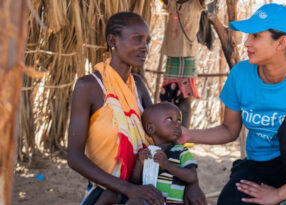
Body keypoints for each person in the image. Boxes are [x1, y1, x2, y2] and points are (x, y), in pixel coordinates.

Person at [179, 3, 286, 205]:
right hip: (260, 166)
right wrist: (188, 135)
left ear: (281, 43)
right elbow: (229, 129)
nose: (246, 43)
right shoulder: (240, 74)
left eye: (255, 36)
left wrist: (277, 195)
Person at [67, 12, 205, 205]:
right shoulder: (89, 87)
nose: (145, 47)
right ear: (113, 40)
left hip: (144, 182)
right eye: (137, 39)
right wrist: (128, 189)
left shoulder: (138, 85)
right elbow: (74, 157)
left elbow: (164, 135)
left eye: (147, 41)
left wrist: (193, 183)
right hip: (107, 190)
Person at [97, 102, 198, 205]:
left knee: (136, 203)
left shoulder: (181, 151)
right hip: (148, 198)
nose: (177, 125)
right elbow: (135, 181)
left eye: (178, 120)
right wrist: (139, 163)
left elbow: (192, 177)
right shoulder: (148, 152)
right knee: (109, 194)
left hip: (167, 202)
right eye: (169, 119)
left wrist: (167, 164)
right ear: (151, 128)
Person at [159, 0, 205, 128]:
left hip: (188, 56)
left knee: (185, 99)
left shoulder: (197, 4)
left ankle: (183, 137)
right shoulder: (172, 2)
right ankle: (167, 134)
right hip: (172, 55)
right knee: (168, 97)